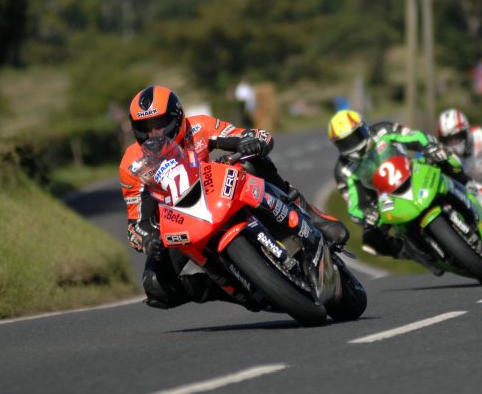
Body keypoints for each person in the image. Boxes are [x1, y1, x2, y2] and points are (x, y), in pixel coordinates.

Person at [119, 85, 347, 309]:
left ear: (176, 117)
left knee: (251, 162)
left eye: (159, 125)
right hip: (181, 222)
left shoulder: (198, 126)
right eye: (144, 128)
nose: (153, 134)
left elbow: (245, 135)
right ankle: (230, 288)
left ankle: (309, 215)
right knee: (155, 285)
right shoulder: (132, 164)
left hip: (218, 191)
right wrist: (148, 239)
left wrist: (253, 140)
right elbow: (136, 224)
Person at [328, 110, 468, 274]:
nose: (352, 145)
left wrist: (428, 146)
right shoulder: (343, 170)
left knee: (445, 159)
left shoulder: (383, 130)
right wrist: (366, 215)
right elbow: (353, 205)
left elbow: (415, 136)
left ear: (364, 128)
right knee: (371, 241)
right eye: (344, 143)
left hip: (411, 171)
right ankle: (414, 254)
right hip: (383, 200)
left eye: (354, 137)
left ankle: (470, 191)